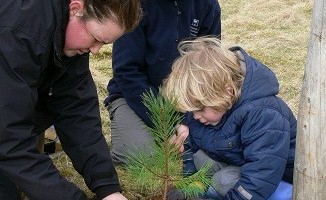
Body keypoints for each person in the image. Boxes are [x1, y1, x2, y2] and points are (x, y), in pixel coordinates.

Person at [0, 0, 142, 199]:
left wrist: (108, 188)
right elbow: (8, 140)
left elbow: (76, 108)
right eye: (95, 39)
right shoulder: (18, 31)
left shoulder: (68, 32)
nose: (96, 50)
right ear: (76, 8)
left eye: (104, 44)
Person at [162, 36, 296, 200]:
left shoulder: (263, 114)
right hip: (237, 162)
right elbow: (192, 149)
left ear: (227, 92)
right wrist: (190, 188)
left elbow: (261, 175)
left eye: (200, 109)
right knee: (202, 160)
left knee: (223, 180)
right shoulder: (208, 110)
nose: (195, 116)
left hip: (278, 179)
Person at [105, 0, 222, 164]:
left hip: (189, 101)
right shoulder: (133, 4)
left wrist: (187, 120)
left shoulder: (207, 5)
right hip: (133, 98)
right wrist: (169, 124)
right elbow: (126, 72)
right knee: (147, 157)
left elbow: (208, 67)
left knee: (215, 147)